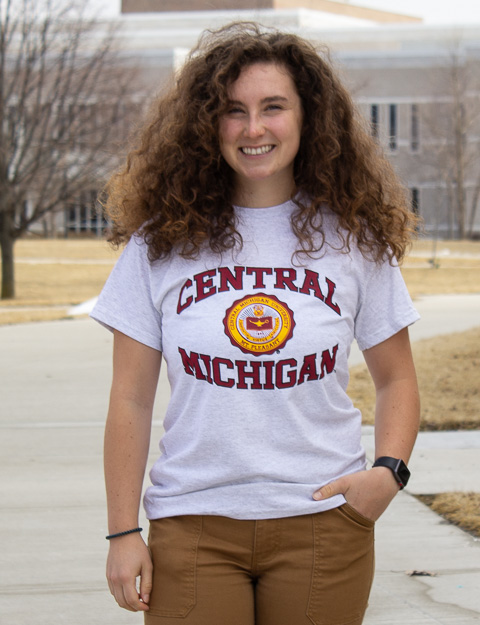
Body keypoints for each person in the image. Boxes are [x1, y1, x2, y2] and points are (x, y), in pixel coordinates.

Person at [91, 21, 420, 625]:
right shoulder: (159, 243)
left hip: (323, 521)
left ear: (308, 117)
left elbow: (397, 379)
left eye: (273, 107)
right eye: (232, 110)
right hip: (192, 524)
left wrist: (387, 473)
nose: (253, 128)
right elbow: (130, 398)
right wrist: (120, 533)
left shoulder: (352, 240)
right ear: (206, 123)